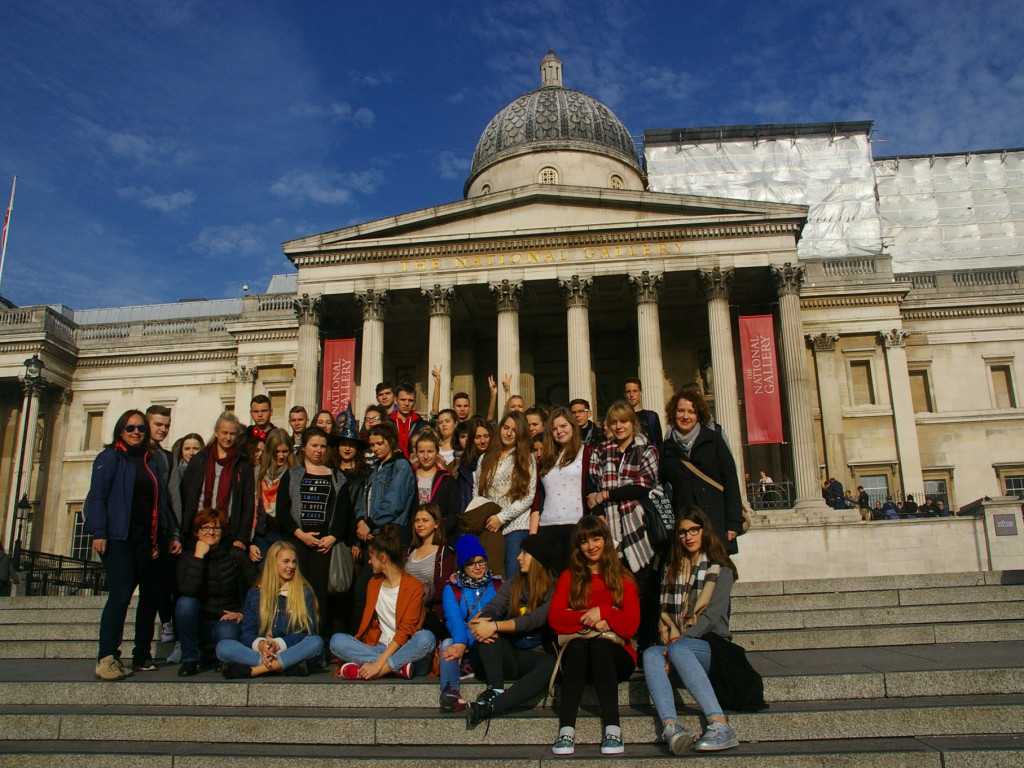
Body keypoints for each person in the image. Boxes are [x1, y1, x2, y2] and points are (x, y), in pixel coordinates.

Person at [643, 505, 741, 753]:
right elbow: (664, 615)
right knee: (650, 654)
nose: (688, 536)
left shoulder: (722, 569)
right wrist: (672, 643)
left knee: (679, 650)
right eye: (682, 532)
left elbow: (710, 617)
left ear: (704, 531)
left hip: (711, 646)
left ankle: (719, 724)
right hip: (678, 644)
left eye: (693, 530)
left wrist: (679, 641)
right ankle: (671, 727)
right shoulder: (671, 568)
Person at [85, 409, 167, 679]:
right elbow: (96, 498)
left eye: (141, 428)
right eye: (131, 428)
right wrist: (99, 531)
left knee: (150, 597)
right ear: (121, 430)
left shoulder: (149, 461)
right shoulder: (109, 458)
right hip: (119, 536)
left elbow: (156, 503)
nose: (136, 432)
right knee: (120, 596)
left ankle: (141, 653)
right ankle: (107, 656)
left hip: (145, 537)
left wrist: (156, 537)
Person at [548, 516, 640, 756]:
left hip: (616, 656)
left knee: (598, 648)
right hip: (580, 658)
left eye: (596, 538)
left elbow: (630, 626)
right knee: (579, 646)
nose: (591, 546)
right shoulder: (570, 577)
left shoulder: (624, 578)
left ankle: (613, 728)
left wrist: (605, 612)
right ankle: (566, 730)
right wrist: (589, 617)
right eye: (584, 541)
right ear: (578, 547)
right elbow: (555, 618)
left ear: (606, 541)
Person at [465, 532, 560, 725]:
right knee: (487, 630)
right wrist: (483, 620)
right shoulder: (514, 582)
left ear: (538, 558)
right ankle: (496, 687)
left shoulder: (554, 587)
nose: (518, 557)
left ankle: (495, 705)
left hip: (536, 655)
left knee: (549, 667)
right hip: (509, 653)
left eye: (524, 553)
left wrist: (494, 625)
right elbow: (494, 606)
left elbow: (534, 619)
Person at [276, 425, 353, 642]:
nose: (319, 450)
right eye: (314, 446)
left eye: (322, 446)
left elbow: (343, 513)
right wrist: (300, 534)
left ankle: (316, 642)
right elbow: (282, 511)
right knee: (295, 593)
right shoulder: (292, 475)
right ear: (305, 448)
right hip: (297, 543)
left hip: (324, 545)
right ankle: (294, 639)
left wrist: (332, 537)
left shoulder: (338, 477)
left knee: (320, 596)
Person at [330, 524, 436, 679]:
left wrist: (379, 665)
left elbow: (406, 631)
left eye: (371, 557)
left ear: (383, 558)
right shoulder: (374, 583)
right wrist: (380, 659)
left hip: (406, 648)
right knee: (336, 641)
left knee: (426, 638)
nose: (369, 562)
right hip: (379, 648)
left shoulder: (414, 586)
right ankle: (398, 668)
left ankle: (380, 668)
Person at [216, 540, 323, 678]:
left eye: (294, 562)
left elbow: (306, 631)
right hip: (263, 651)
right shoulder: (255, 594)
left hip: (289, 650)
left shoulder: (304, 593)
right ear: (273, 563)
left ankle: (254, 671)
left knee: (315, 642)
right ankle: (283, 666)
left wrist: (278, 644)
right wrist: (261, 645)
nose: (291, 566)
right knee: (223, 647)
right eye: (286, 561)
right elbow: (247, 632)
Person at [174, 508, 257, 676]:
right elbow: (188, 590)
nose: (211, 532)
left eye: (216, 528)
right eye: (205, 528)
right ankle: (190, 660)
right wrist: (199, 558)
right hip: (198, 621)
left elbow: (259, 586)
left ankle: (220, 657)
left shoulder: (236, 556)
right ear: (197, 532)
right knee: (185, 603)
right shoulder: (187, 558)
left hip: (227, 619)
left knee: (225, 631)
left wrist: (242, 613)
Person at [660, 389, 744, 555]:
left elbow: (731, 481)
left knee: (718, 571)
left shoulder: (713, 440)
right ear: (673, 413)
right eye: (681, 410)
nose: (685, 416)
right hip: (686, 525)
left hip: (715, 518)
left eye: (691, 412)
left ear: (699, 415)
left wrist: (733, 522)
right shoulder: (667, 448)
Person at [587, 401, 659, 573]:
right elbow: (592, 483)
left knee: (642, 583)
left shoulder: (647, 450)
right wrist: (599, 514)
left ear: (633, 423)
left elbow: (641, 486)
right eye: (614, 422)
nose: (618, 426)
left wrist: (605, 495)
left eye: (623, 421)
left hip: (639, 522)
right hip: (608, 524)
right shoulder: (602, 450)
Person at [438, 534, 502, 712]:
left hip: (490, 642)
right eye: (471, 563)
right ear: (463, 565)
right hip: (466, 643)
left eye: (481, 562)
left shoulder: (497, 585)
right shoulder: (453, 589)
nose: (478, 567)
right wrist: (461, 642)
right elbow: (454, 619)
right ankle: (450, 690)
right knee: (448, 643)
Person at [472, 411, 537, 577]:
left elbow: (528, 496)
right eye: (505, 427)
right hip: (489, 525)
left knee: (512, 574)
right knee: (492, 574)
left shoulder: (526, 458)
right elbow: (477, 492)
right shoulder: (485, 458)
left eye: (514, 430)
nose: (508, 433)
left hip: (516, 524)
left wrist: (502, 517)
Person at [180, 412, 255, 552]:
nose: (228, 438)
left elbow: (247, 503)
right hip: (198, 531)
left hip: (227, 533)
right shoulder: (200, 459)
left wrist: (242, 538)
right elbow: (186, 494)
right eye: (224, 433)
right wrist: (185, 529)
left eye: (232, 434)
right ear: (216, 433)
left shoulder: (242, 464)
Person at [533, 405, 595, 565]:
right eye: (554, 429)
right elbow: (538, 498)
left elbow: (592, 489)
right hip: (547, 525)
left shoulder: (587, 452)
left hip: (576, 526)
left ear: (573, 426)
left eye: (563, 426)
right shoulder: (546, 459)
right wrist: (533, 535)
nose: (559, 431)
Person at [405, 502, 456, 642]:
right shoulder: (409, 551)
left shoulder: (445, 553)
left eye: (425, 520)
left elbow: (443, 588)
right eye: (417, 520)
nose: (420, 524)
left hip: (429, 610)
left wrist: (417, 600)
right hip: (405, 607)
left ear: (436, 524)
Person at [252, 428, 294, 564]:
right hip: (261, 534)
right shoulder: (258, 472)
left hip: (284, 534)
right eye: (277, 452)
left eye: (285, 451)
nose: (281, 456)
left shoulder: (295, 473)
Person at [413, 430, 461, 539]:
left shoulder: (447, 479)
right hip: (414, 536)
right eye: (421, 452)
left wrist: (440, 532)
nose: (425, 456)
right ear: (416, 453)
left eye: (430, 451)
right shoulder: (410, 476)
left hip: (440, 536)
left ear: (437, 452)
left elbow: (454, 512)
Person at [454, 417, 490, 511]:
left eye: (486, 436)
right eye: (477, 437)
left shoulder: (499, 461)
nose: (482, 441)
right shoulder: (463, 465)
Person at [624, 377, 663, 452]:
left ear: (640, 392)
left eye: (635, 391)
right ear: (624, 394)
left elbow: (659, 443)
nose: (632, 395)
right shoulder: (621, 417)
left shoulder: (652, 416)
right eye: (628, 391)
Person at [390, 382, 426, 458]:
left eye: (410, 400)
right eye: (403, 400)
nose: (406, 403)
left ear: (414, 402)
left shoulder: (421, 424)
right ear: (396, 401)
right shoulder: (387, 424)